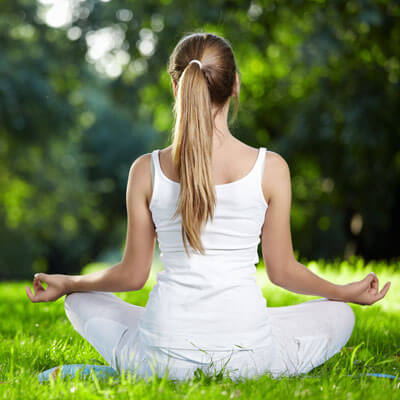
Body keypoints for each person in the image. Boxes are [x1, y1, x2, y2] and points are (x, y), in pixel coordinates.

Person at [26, 32, 391, 382]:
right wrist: (346, 293)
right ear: (235, 86)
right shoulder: (272, 168)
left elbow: (132, 275)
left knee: (78, 301)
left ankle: (151, 351)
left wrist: (70, 282)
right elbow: (282, 272)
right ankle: (255, 352)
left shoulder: (145, 170)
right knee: (338, 314)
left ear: (176, 86)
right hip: (249, 357)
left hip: (159, 359)